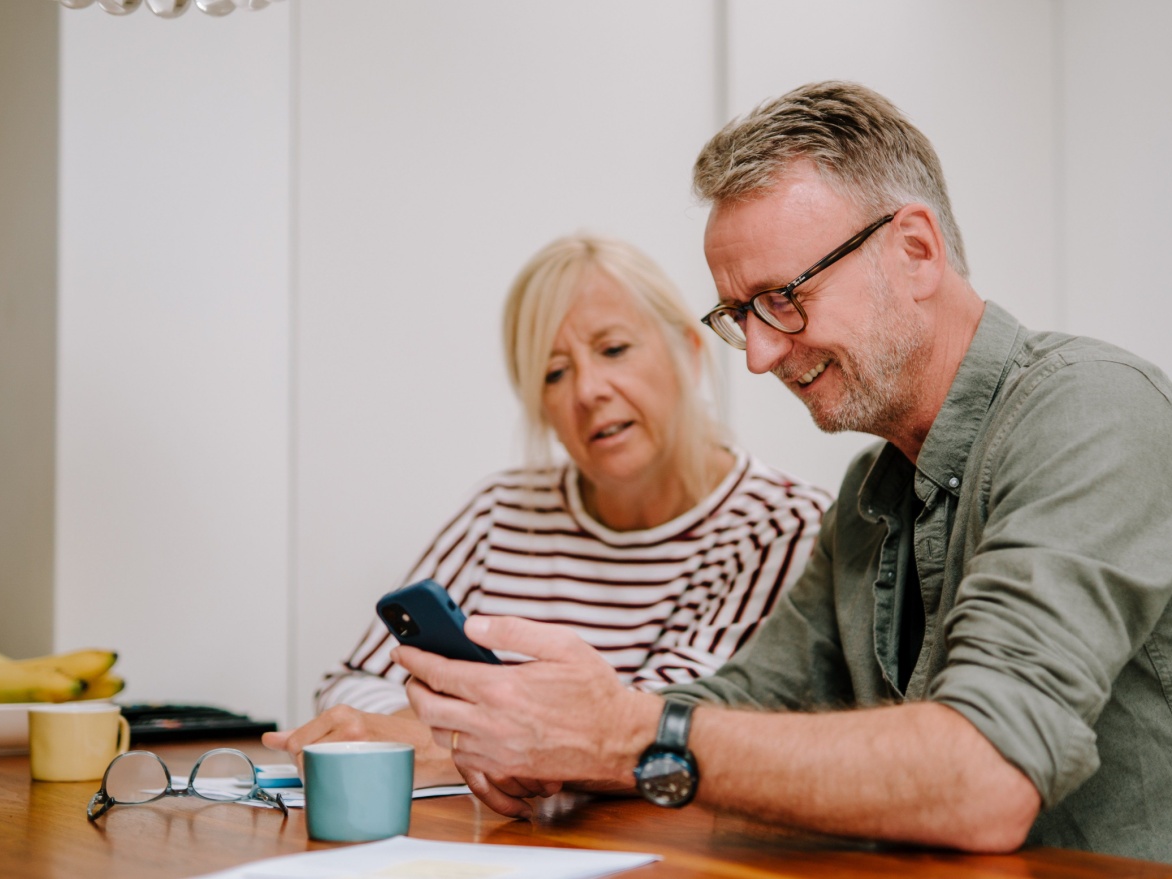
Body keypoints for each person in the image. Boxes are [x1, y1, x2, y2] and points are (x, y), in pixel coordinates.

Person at [394, 82, 1172, 877]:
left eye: (784, 299)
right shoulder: (870, 494)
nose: (761, 355)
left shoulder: (1096, 412)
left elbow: (983, 771)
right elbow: (739, 706)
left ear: (917, 251)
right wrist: (565, 743)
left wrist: (625, 737)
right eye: (739, 315)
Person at [265, 234, 831, 788]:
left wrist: (445, 741)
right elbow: (356, 680)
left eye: (613, 349)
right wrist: (470, 742)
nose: (587, 391)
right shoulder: (502, 511)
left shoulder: (780, 527)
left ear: (688, 349)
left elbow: (661, 729)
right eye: (553, 373)